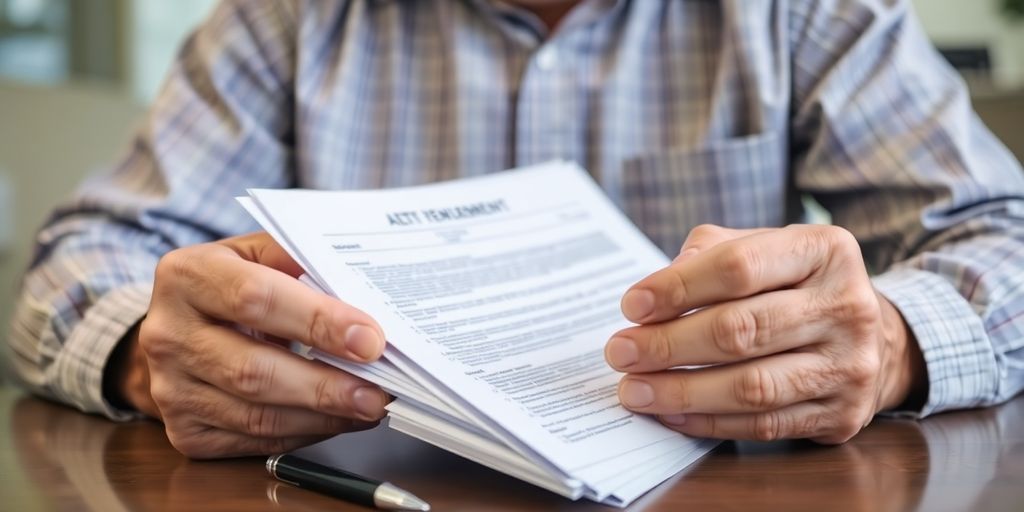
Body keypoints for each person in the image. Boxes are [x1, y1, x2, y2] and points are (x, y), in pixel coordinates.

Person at [7, 0, 1024, 459]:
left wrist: (887, 339)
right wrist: (149, 350)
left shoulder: (801, 12)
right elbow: (77, 258)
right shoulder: (287, 20)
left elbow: (1002, 231)